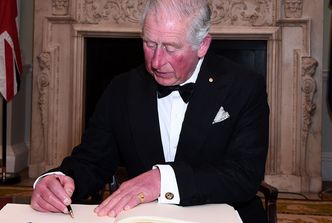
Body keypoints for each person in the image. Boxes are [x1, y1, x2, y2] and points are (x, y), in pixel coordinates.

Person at [30, 0, 269, 222]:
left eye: (170, 48)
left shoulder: (244, 86)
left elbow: (244, 175)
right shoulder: (122, 89)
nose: (156, 61)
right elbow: (92, 161)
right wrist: (60, 180)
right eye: (149, 44)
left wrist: (163, 180)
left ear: (202, 45)